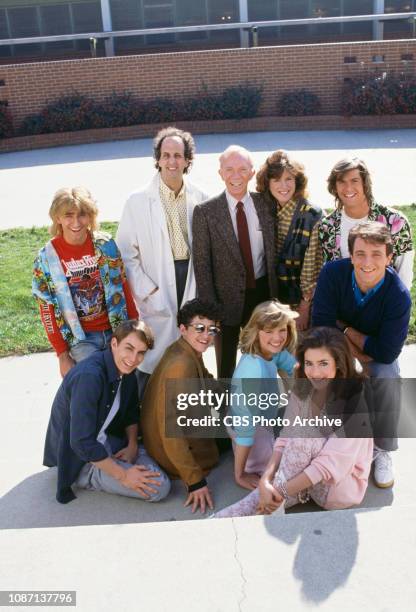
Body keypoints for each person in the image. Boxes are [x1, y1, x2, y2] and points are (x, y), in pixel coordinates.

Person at [214, 327, 373, 518]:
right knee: (298, 435)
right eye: (309, 363)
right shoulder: (304, 388)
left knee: (304, 435)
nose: (315, 372)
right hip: (304, 478)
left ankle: (239, 513)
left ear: (338, 364)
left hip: (338, 489)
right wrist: (266, 478)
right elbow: (284, 438)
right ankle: (258, 508)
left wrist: (279, 490)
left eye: (323, 363)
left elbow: (328, 465)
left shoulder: (355, 402)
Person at [312, 221, 411, 488]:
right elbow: (321, 324)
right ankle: (324, 442)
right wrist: (350, 345)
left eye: (377, 254)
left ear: (390, 257)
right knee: (318, 366)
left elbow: (387, 352)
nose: (368, 262)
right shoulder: (333, 273)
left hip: (376, 355)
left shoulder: (399, 296)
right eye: (360, 254)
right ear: (350, 255)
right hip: (337, 345)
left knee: (387, 376)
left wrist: (344, 329)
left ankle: (382, 449)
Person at [116, 127, 208, 395]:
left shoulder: (200, 197)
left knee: (188, 356)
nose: (172, 161)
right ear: (157, 159)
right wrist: (148, 291)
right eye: (166, 155)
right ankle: (147, 420)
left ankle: (185, 417)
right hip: (155, 283)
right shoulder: (137, 201)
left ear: (188, 160)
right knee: (153, 359)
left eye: (178, 155)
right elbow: (126, 253)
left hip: (188, 280)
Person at [43, 320, 171, 504]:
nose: (134, 358)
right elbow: (81, 441)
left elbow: (131, 413)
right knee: (159, 487)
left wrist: (133, 446)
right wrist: (123, 475)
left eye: (141, 352)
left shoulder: (127, 371)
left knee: (160, 461)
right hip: (81, 458)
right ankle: (88, 477)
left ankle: (127, 459)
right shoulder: (89, 377)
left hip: (110, 442)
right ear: (114, 343)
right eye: (129, 348)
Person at [32, 187, 138, 378]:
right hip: (81, 340)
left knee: (125, 388)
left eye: (82, 215)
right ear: (58, 218)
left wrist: (134, 324)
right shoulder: (46, 259)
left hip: (117, 329)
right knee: (93, 389)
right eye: (68, 215)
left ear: (90, 216)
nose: (76, 222)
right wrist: (62, 355)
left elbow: (122, 285)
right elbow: (46, 309)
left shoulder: (105, 245)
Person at [192, 145, 277, 379]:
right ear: (220, 173)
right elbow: (202, 264)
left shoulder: (266, 204)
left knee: (262, 358)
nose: (236, 175)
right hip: (224, 300)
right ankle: (226, 410)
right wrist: (211, 309)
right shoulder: (205, 212)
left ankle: (262, 405)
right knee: (226, 367)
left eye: (242, 169)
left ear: (252, 172)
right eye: (229, 169)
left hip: (262, 295)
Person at [140, 299, 222, 514]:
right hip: (167, 451)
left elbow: (208, 381)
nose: (207, 336)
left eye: (212, 329)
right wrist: (195, 481)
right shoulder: (181, 365)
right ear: (183, 329)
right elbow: (170, 431)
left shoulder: (187, 349)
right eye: (200, 328)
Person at [230, 300, 298, 491]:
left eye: (281, 329)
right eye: (269, 331)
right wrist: (240, 474)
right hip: (251, 434)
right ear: (255, 331)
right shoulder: (252, 371)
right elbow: (245, 427)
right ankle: (250, 465)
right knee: (295, 465)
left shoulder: (270, 350)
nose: (277, 337)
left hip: (264, 418)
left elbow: (291, 368)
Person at [319, 157, 414, 289]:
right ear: (334, 186)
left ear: (365, 183)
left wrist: (396, 306)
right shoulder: (327, 226)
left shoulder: (396, 221)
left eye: (354, 181)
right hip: (342, 304)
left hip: (385, 303)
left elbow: (404, 273)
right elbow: (329, 274)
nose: (348, 188)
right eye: (342, 182)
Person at [256, 150, 322, 330]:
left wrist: (304, 308)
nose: (283, 186)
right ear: (267, 183)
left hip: (299, 303)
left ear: (297, 181)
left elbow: (312, 268)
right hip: (270, 301)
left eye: (289, 179)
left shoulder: (311, 215)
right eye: (276, 180)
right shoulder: (264, 210)